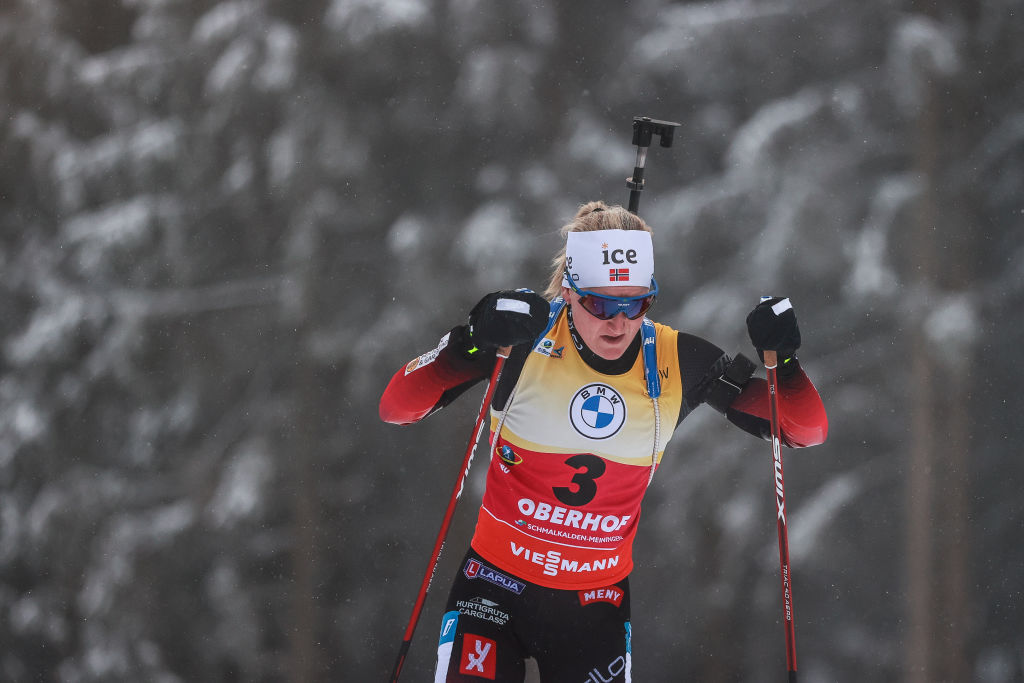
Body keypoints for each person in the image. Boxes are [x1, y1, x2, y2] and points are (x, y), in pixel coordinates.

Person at [379, 201, 827, 682]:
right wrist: (470, 339)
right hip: (493, 586)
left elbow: (804, 430)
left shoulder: (678, 360)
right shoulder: (523, 339)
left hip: (594, 608)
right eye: (600, 304)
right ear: (570, 292)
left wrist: (788, 363)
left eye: (635, 303)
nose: (618, 322)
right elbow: (398, 407)